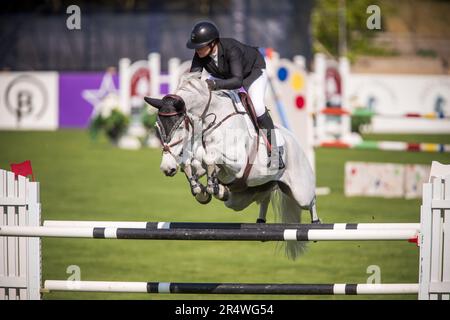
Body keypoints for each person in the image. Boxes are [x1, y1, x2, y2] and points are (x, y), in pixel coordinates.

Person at [186, 21, 285, 170]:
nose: (198, 50)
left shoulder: (231, 49)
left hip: (252, 72)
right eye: (196, 47)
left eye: (201, 46)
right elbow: (193, 79)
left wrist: (213, 85)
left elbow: (237, 81)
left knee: (257, 106)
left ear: (213, 43)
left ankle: (275, 153)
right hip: (225, 76)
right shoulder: (200, 54)